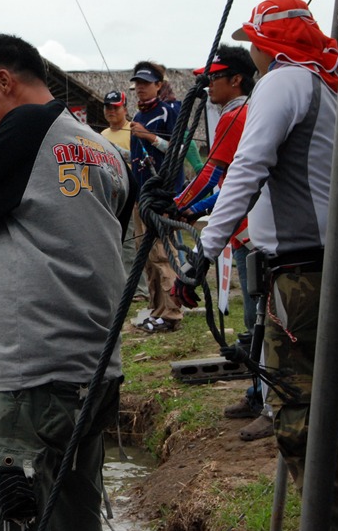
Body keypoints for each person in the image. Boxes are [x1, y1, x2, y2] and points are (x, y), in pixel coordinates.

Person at [0, 34, 133, 531]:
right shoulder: (102, 148)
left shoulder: (27, 127)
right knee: (70, 517)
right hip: (98, 371)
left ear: (5, 81)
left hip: (35, 377)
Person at [172, 0, 338, 529]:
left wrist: (203, 254)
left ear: (269, 45)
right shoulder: (323, 83)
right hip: (317, 267)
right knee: (319, 410)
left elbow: (247, 169)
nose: (254, 55)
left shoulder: (284, 82)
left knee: (299, 419)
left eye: (255, 44)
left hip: (299, 275)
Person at [172, 45, 269, 440]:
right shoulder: (234, 114)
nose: (209, 85)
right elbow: (226, 184)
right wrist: (193, 211)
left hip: (254, 231)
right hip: (245, 228)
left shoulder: (239, 116)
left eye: (215, 77)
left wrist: (178, 203)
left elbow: (213, 174)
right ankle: (257, 391)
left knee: (259, 315)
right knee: (255, 315)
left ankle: (265, 396)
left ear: (236, 81)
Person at [129, 61, 182, 332]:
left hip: (162, 194)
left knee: (163, 254)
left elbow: (180, 148)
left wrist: (149, 137)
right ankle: (157, 309)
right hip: (142, 195)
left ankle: (172, 312)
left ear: (159, 85)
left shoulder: (170, 110)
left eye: (146, 83)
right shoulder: (138, 117)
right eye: (137, 83)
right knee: (147, 257)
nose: (140, 88)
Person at [100, 90, 150, 301]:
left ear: (125, 109)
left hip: (133, 194)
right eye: (108, 107)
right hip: (109, 195)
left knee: (132, 242)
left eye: (116, 107)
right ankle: (120, 286)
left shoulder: (134, 130)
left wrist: (118, 152)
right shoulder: (101, 135)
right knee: (112, 242)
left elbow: (144, 159)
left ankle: (138, 289)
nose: (111, 111)